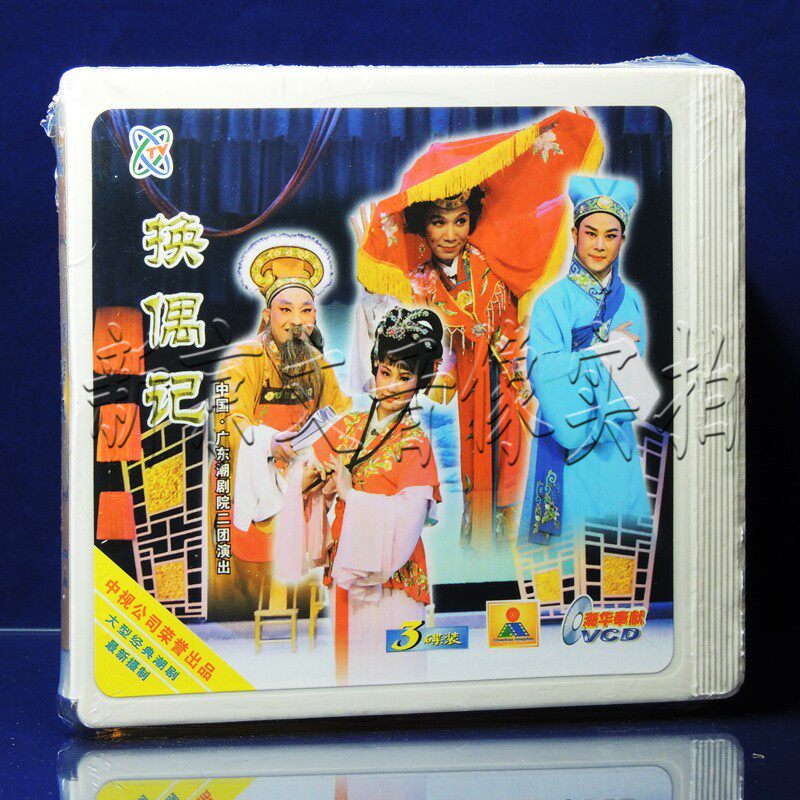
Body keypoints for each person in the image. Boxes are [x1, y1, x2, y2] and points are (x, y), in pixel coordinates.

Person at [351, 109, 604, 547]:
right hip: (471, 387)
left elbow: (548, 227)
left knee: (526, 464)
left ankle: (536, 549)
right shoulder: (421, 284)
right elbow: (391, 331)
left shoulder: (494, 259)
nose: (451, 233)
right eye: (439, 221)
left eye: (460, 220)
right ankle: (485, 550)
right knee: (478, 468)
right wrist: (373, 261)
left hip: (521, 377)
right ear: (423, 226)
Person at [275, 306, 444, 685]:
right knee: (351, 675)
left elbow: (408, 524)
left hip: (394, 579)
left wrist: (351, 495)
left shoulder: (416, 444)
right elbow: (303, 485)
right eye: (385, 372)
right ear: (374, 369)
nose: (391, 385)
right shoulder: (346, 427)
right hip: (346, 573)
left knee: (395, 677)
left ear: (421, 381)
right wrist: (310, 482)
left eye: (405, 376)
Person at [207, 234, 351, 622]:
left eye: (306, 311)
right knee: (248, 586)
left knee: (299, 582)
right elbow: (229, 420)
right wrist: (270, 445)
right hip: (251, 480)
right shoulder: (245, 357)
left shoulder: (318, 363)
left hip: (299, 481)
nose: (296, 321)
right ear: (268, 314)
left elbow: (339, 415)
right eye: (285, 310)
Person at [519, 176, 654, 545]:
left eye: (611, 235)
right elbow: (543, 371)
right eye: (590, 233)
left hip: (615, 437)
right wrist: (605, 350)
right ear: (574, 234)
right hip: (565, 438)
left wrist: (601, 354)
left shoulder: (631, 301)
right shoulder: (552, 302)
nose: (599, 245)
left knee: (618, 550)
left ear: (623, 240)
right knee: (567, 555)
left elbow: (631, 380)